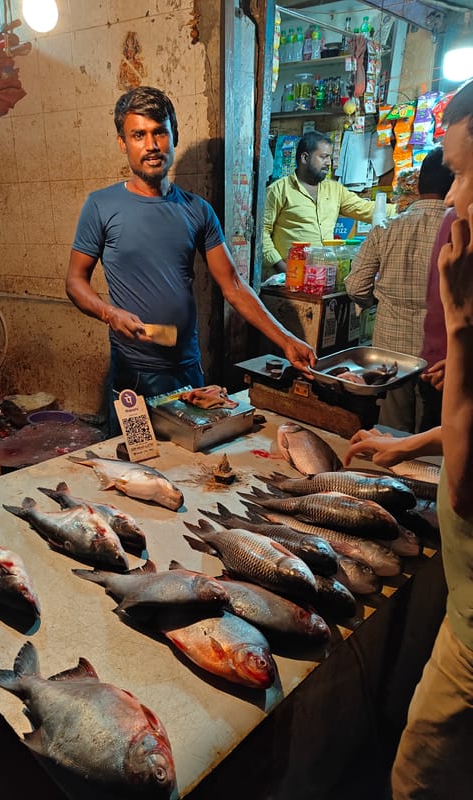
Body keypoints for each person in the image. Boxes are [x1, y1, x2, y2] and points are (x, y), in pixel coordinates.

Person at [345, 78, 473, 800]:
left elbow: (465, 476)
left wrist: (457, 319)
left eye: (461, 175)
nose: (452, 201)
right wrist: (400, 450)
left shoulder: (393, 231)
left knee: (417, 782)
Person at [65, 86, 316, 411]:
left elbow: (235, 286)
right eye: (138, 135)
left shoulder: (198, 210)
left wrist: (286, 340)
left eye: (159, 133)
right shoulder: (101, 206)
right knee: (136, 460)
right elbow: (74, 281)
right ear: (122, 143)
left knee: (192, 460)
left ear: (174, 136)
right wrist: (109, 313)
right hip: (134, 374)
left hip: (188, 370)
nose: (151, 145)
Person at [345, 147, 454, 432]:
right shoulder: (461, 229)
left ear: (418, 185)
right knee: (434, 438)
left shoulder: (386, 228)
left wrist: (379, 303)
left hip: (389, 355)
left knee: (392, 435)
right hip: (443, 361)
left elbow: (356, 285)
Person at [262, 130, 390, 277]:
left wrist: (405, 209)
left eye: (329, 157)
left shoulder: (335, 190)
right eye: (323, 157)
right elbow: (262, 232)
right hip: (287, 277)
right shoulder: (279, 190)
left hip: (321, 276)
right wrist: (282, 267)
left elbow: (366, 209)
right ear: (305, 157)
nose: (328, 163)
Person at [418, 207, 457, 431]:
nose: (449, 196)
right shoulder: (452, 217)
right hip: (441, 369)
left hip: (446, 369)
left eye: (461, 177)